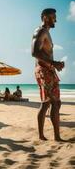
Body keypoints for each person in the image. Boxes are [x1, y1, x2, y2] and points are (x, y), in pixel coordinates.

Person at [32, 8, 64, 141]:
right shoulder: (41, 31)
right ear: (45, 17)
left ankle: (44, 136)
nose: (55, 19)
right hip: (44, 70)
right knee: (54, 103)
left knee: (48, 103)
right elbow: (34, 52)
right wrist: (54, 63)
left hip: (48, 69)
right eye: (52, 17)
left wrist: (54, 65)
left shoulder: (46, 32)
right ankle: (55, 137)